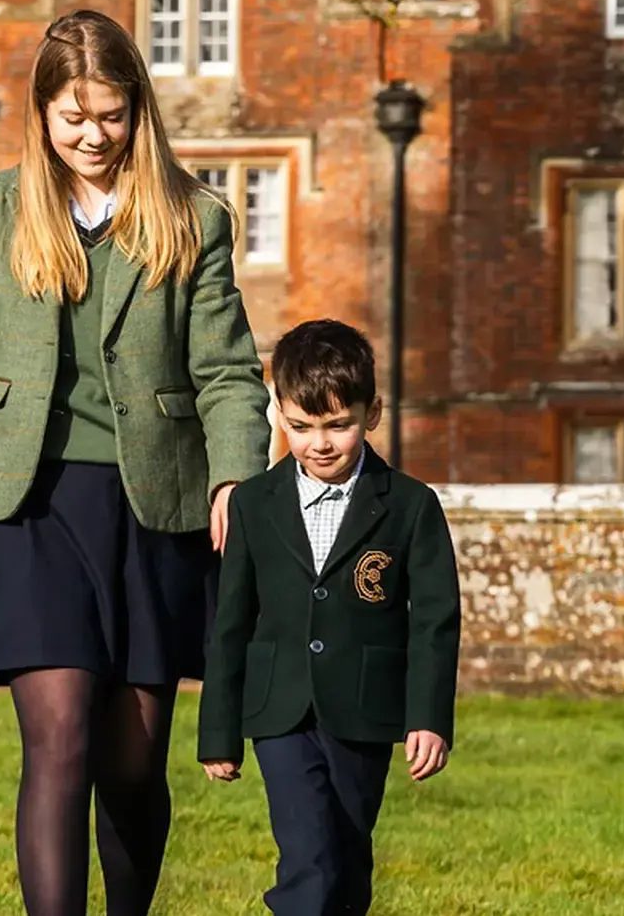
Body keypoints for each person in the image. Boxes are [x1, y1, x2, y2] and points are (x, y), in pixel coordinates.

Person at [0, 7, 272, 916]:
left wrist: (234, 474)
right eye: (72, 118)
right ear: (40, 114)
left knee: (133, 760)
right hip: (24, 508)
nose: (92, 136)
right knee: (61, 734)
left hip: (156, 510)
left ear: (137, 110)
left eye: (110, 116)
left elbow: (228, 371)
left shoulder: (195, 216)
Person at [198, 319, 462, 916]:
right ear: (279, 414)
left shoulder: (412, 505)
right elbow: (231, 623)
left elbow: (435, 623)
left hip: (366, 711)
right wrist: (218, 731)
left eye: (338, 425)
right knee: (309, 856)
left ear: (372, 413)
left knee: (346, 858)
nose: (319, 443)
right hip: (279, 713)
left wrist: (428, 717)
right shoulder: (252, 503)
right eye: (301, 426)